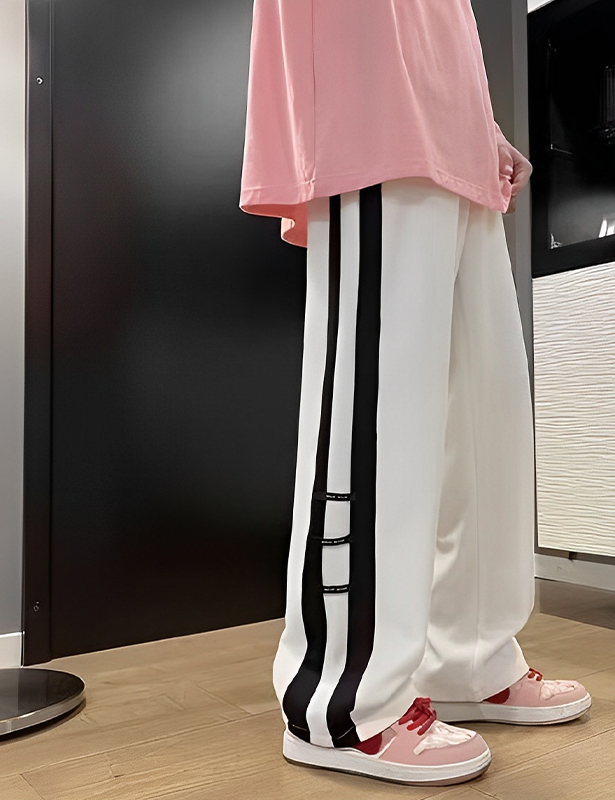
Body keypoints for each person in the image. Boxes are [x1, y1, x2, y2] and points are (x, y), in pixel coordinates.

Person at [240, 0, 591, 786]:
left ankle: (468, 657)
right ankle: (344, 699)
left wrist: (479, 124)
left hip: (455, 134)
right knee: (378, 414)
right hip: (369, 110)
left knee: (484, 417)